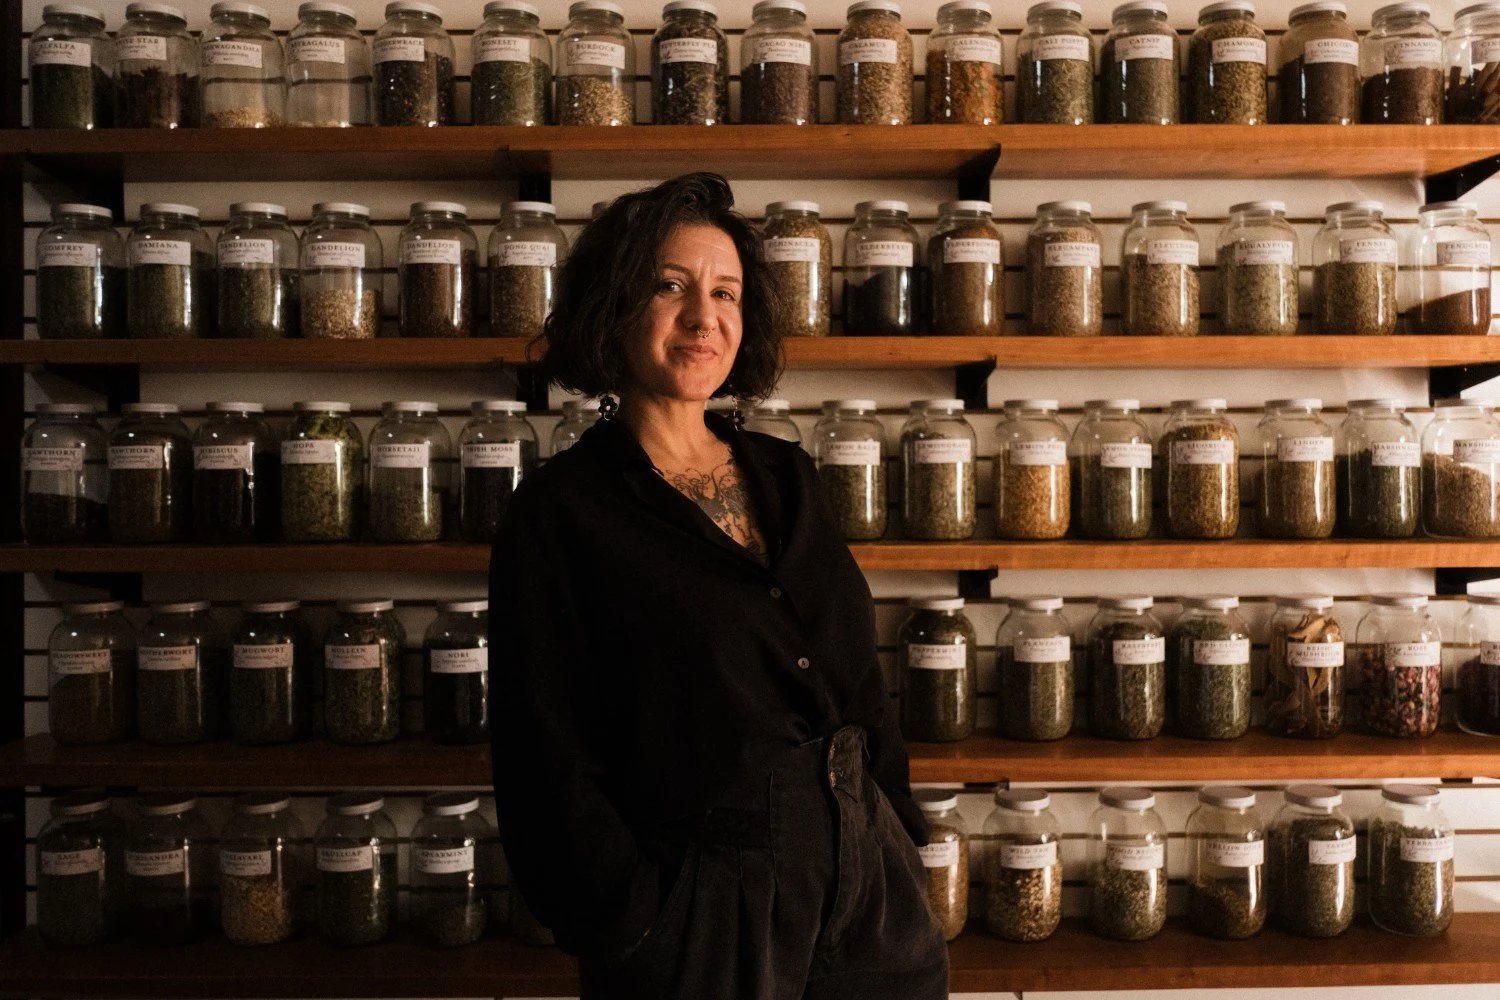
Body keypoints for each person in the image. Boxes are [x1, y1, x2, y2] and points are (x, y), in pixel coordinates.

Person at [489, 173, 948, 1000]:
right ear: (613, 306)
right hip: (701, 906)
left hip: (868, 889)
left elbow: (857, 680)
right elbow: (542, 754)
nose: (705, 316)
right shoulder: (561, 513)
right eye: (671, 286)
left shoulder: (789, 476)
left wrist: (898, 833)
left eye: (726, 291)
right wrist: (635, 921)